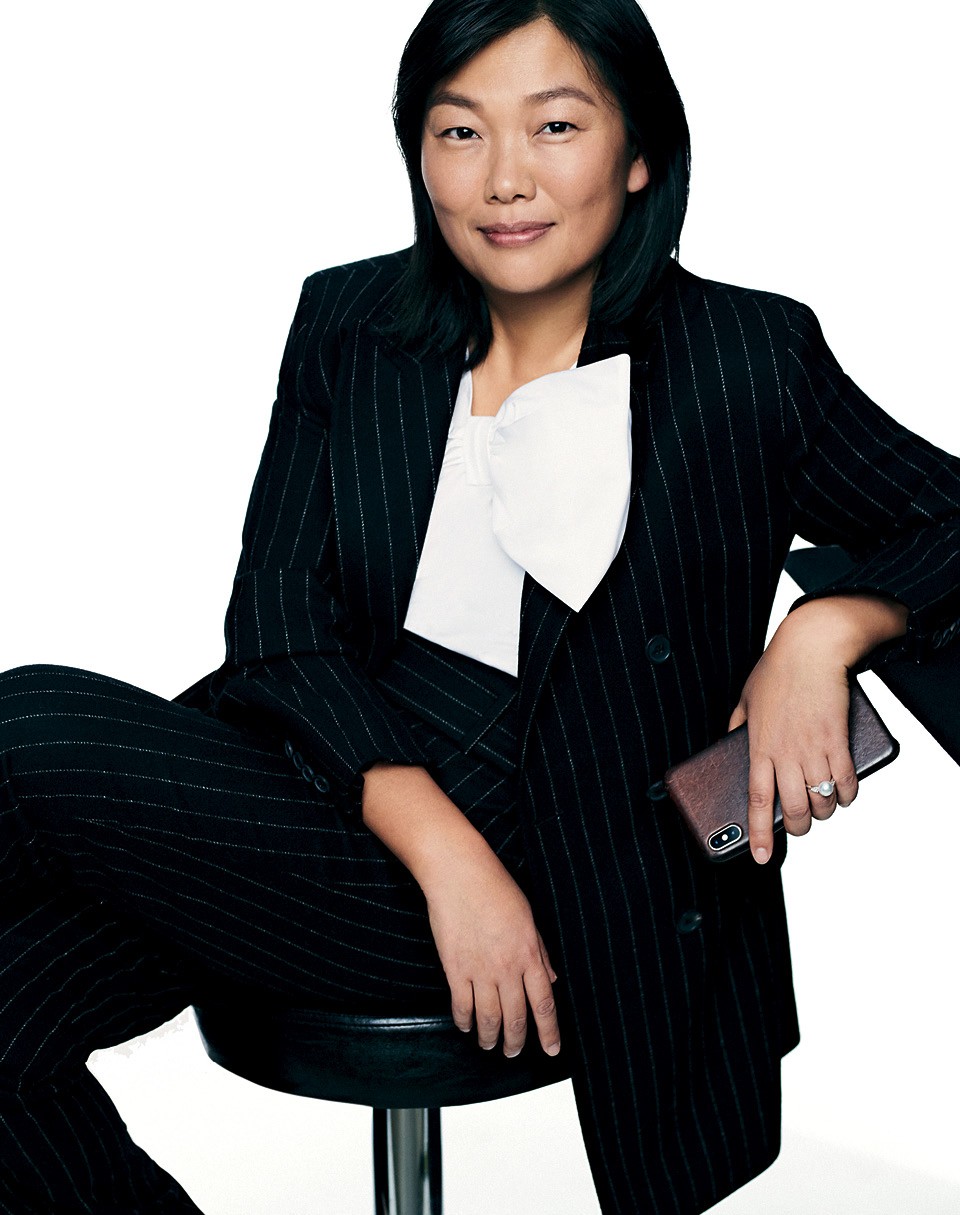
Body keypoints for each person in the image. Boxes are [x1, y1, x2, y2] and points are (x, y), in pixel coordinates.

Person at [1, 0, 958, 1212]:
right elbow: (279, 629)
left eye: (554, 125)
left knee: (27, 722)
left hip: (563, 856)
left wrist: (825, 632)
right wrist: (449, 859)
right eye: (459, 132)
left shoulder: (746, 355)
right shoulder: (351, 323)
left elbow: (947, 520)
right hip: (338, 798)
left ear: (640, 151)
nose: (504, 178)